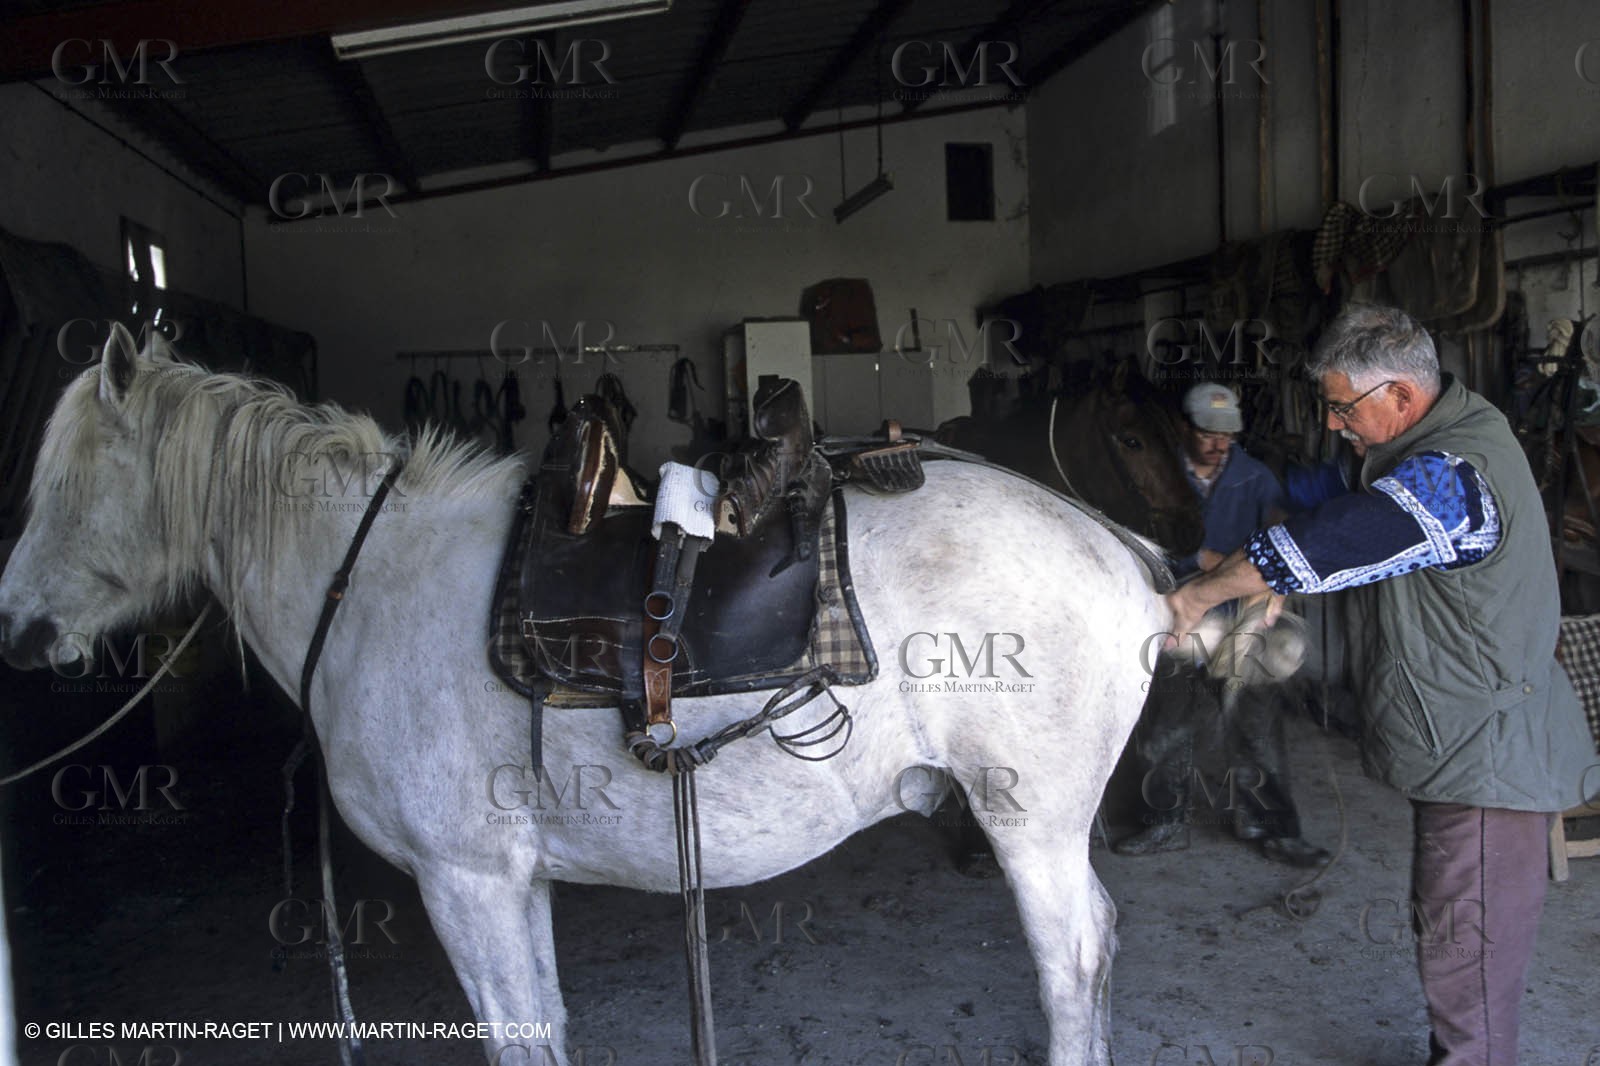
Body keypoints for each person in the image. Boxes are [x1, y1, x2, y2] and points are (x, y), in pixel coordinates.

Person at [1166, 304, 1593, 1066]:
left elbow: (1338, 539)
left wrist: (1199, 595)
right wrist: (1271, 544)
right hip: (1464, 744)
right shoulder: (1424, 439)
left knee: (1467, 955)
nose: (1333, 424)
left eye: (1341, 408)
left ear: (1399, 395)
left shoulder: (1454, 475)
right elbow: (1331, 496)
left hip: (1488, 758)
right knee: (1453, 928)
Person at [1116, 383, 1331, 868]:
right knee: (1165, 728)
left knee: (1257, 728)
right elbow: (1138, 540)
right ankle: (1163, 822)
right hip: (1178, 616)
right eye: (1208, 434)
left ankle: (1272, 828)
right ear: (1184, 428)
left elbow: (1282, 543)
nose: (1219, 444)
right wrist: (1200, 559)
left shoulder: (1255, 479)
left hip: (1242, 618)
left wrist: (1263, 599)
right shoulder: (1156, 469)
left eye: (1227, 435)